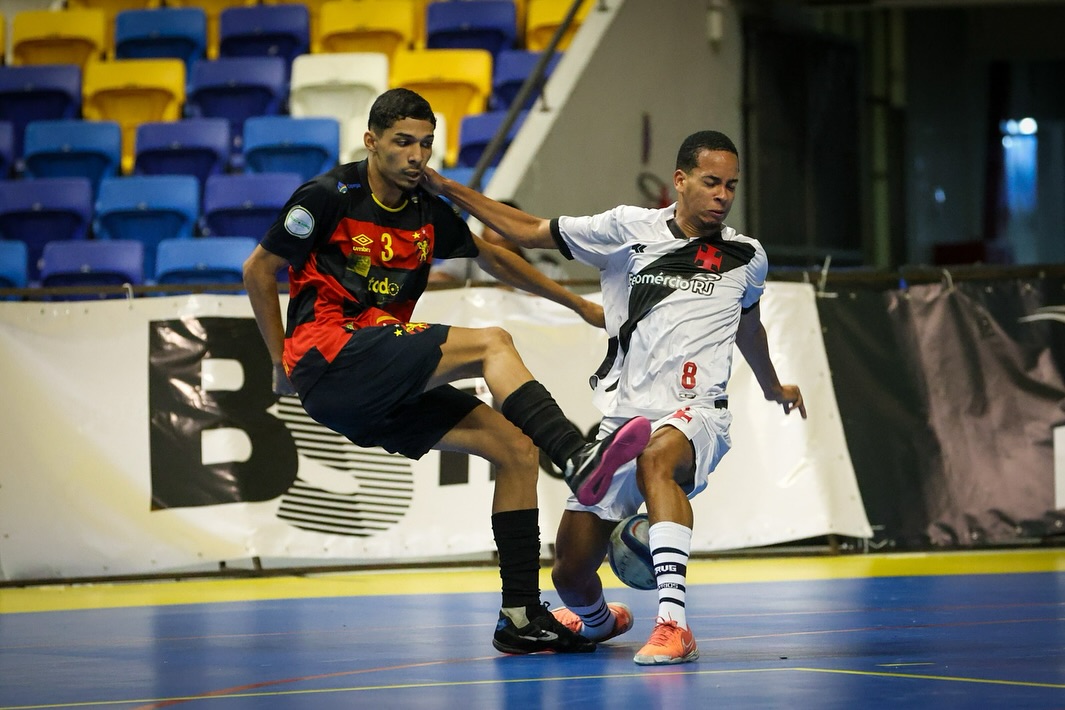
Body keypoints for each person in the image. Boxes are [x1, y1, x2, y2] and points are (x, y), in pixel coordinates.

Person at [242, 88, 652, 655]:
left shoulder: (426, 209)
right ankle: (575, 456)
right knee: (492, 343)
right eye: (403, 142)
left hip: (372, 380)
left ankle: (520, 615)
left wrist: (577, 304)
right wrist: (280, 360)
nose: (416, 156)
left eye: (426, 144)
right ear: (371, 142)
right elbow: (258, 269)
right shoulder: (328, 195)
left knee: (513, 449)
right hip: (331, 355)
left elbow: (493, 255)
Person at [421, 130, 807, 666]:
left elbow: (749, 327)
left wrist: (772, 386)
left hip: (697, 414)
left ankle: (674, 624)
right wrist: (444, 187)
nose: (722, 195)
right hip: (624, 421)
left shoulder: (746, 255)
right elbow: (529, 230)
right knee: (570, 573)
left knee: (658, 459)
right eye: (712, 182)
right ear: (680, 180)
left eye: (731, 186)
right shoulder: (627, 230)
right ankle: (602, 622)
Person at [429, 201, 567, 284]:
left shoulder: (548, 268)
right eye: (492, 224)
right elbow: (435, 282)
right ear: (483, 232)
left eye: (510, 224)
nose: (501, 230)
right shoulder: (468, 263)